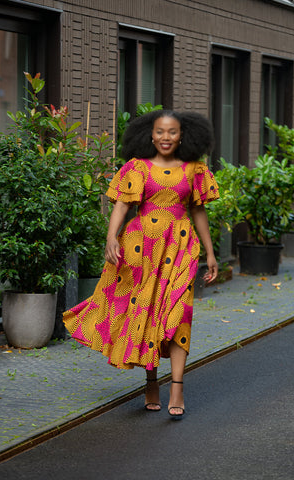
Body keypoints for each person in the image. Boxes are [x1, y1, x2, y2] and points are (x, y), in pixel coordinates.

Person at [63, 110, 219, 419]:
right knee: (145, 313)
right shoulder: (137, 168)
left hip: (180, 247)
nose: (165, 137)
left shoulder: (194, 171)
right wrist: (111, 237)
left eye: (172, 132)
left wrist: (210, 253)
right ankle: (151, 382)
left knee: (179, 313)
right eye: (160, 131)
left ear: (182, 135)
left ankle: (177, 386)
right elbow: (122, 205)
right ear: (150, 135)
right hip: (141, 248)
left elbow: (198, 211)